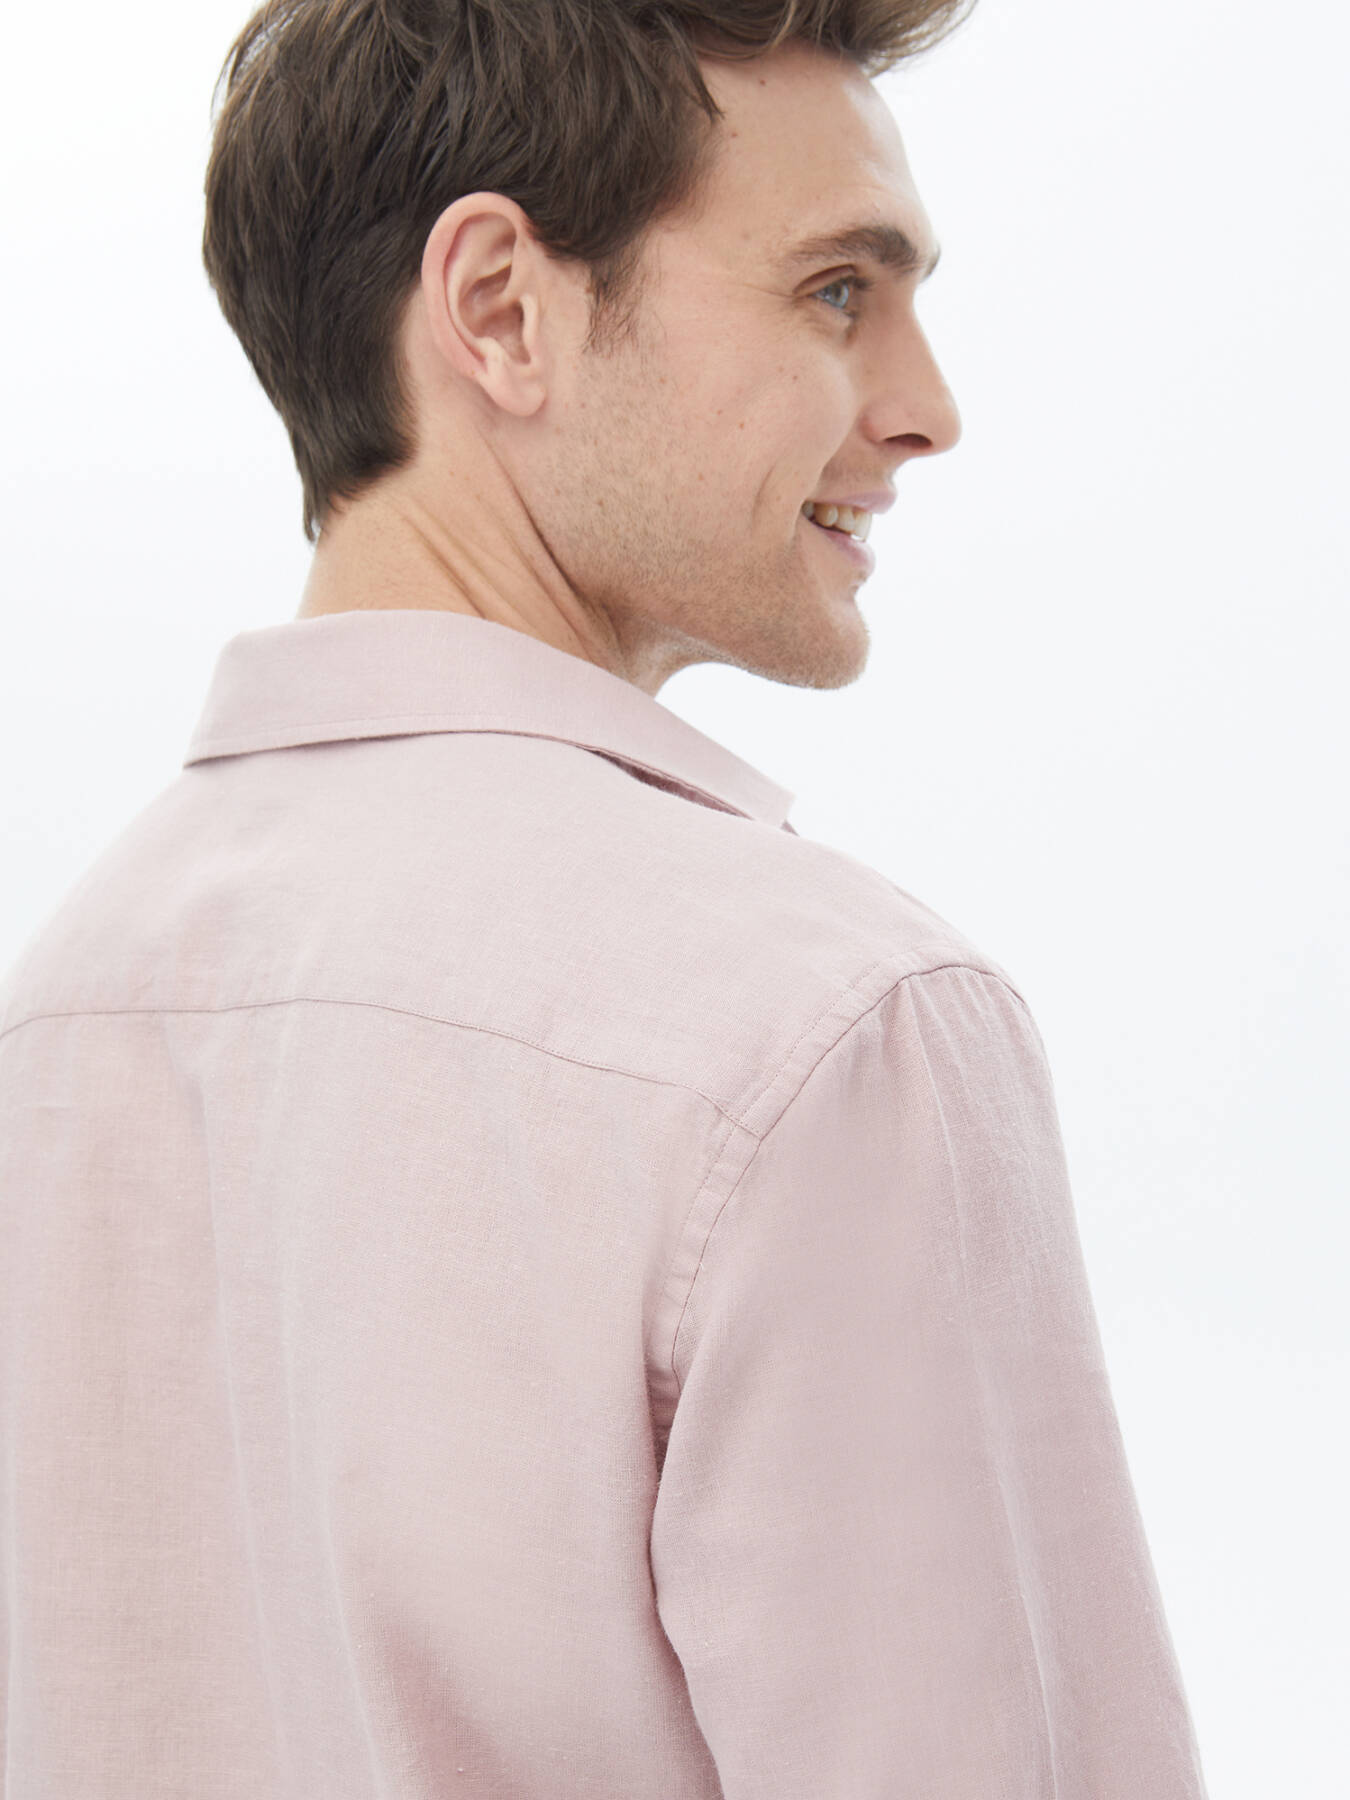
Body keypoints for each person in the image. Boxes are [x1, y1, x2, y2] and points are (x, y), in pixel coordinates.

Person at [0, 1, 1211, 1794]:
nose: (926, 409)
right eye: (834, 291)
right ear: (502, 308)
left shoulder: (65, 1008)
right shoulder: (828, 1034)